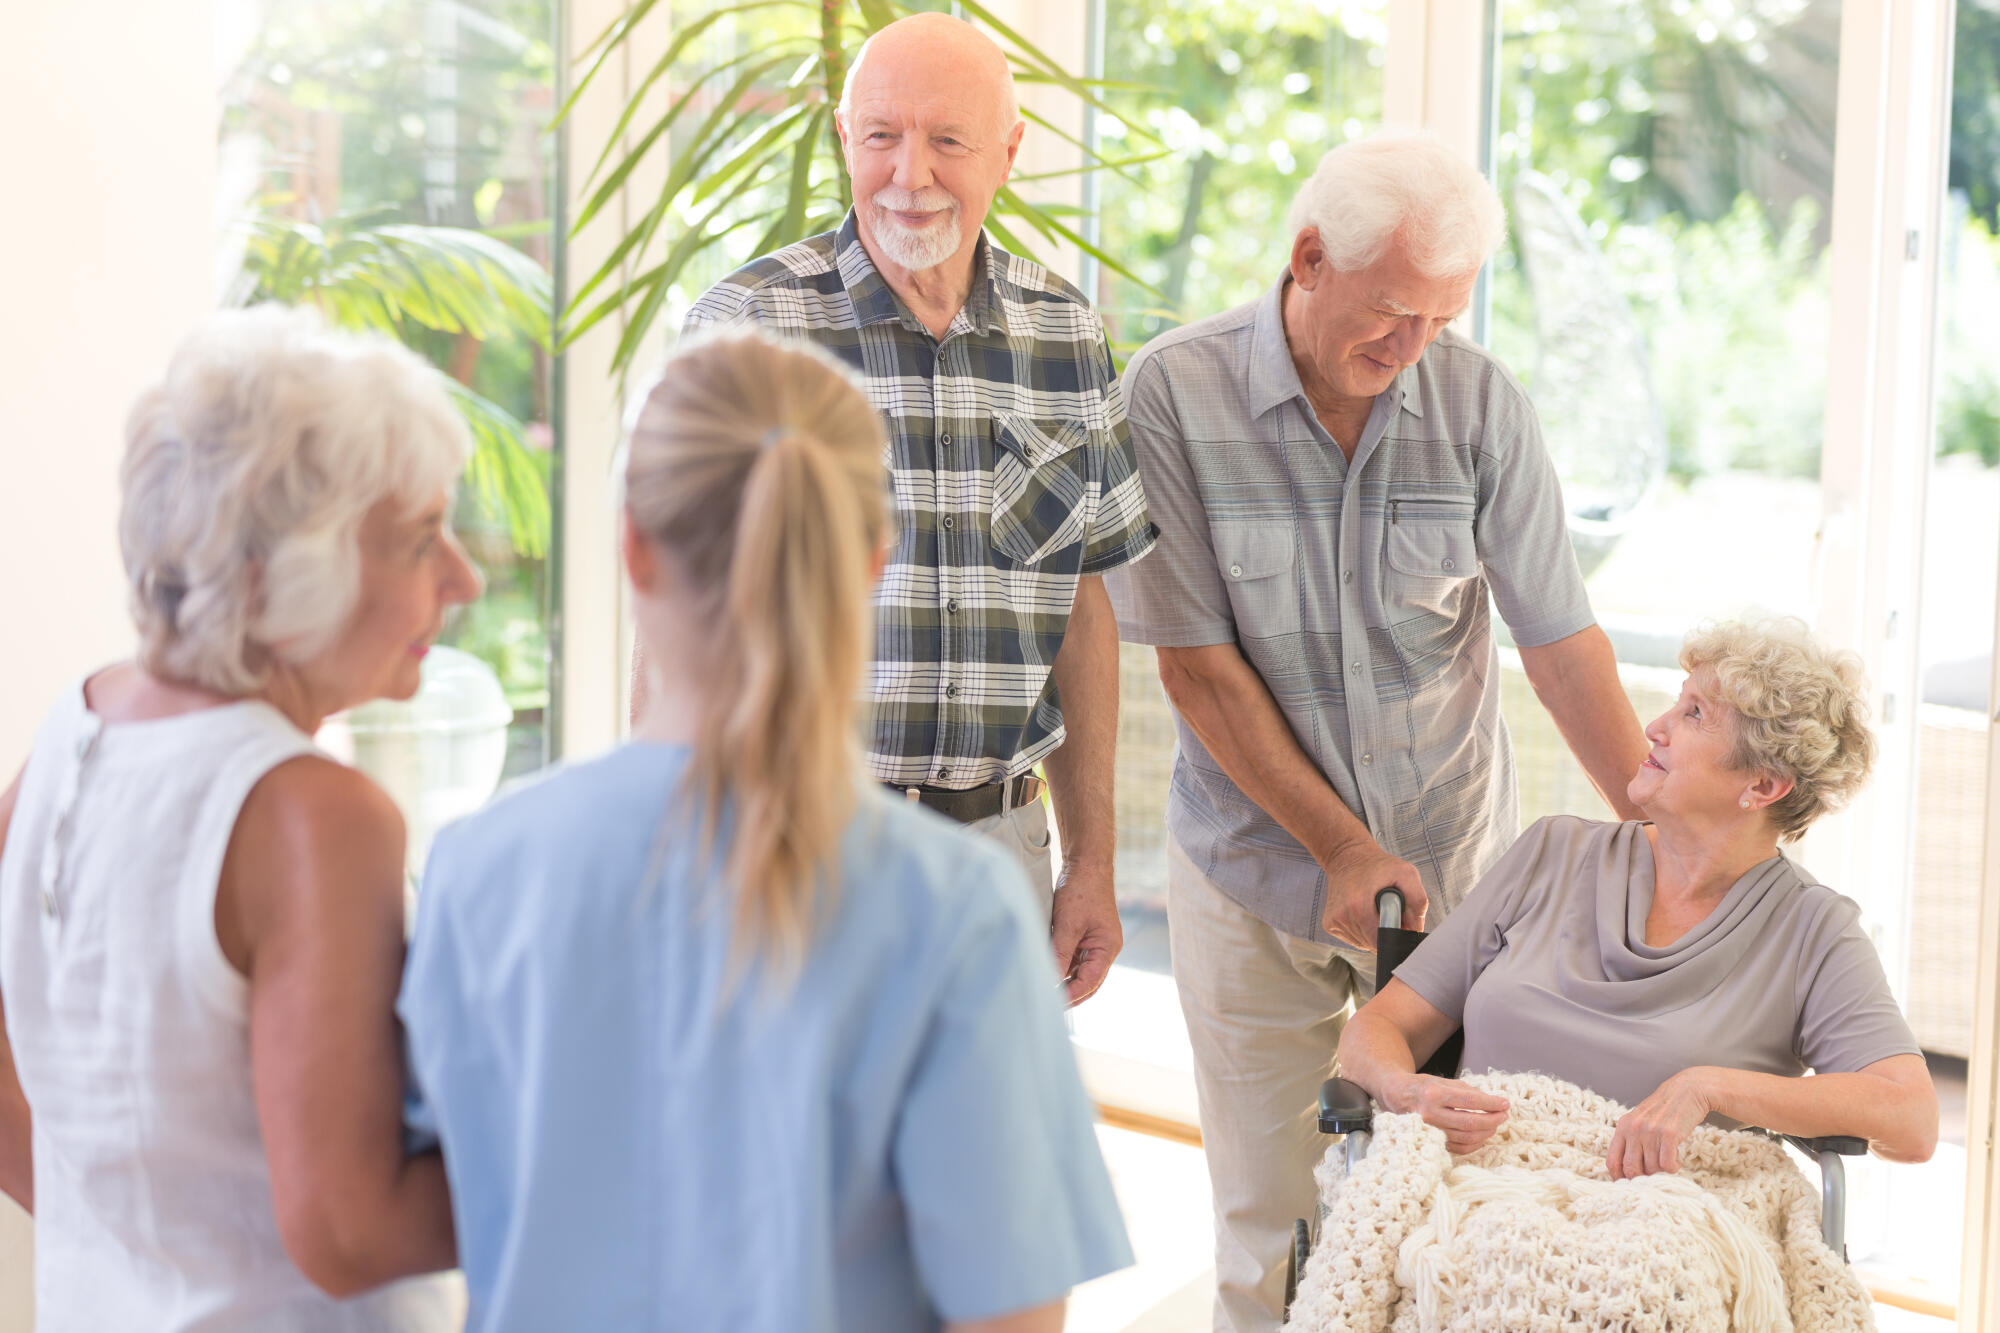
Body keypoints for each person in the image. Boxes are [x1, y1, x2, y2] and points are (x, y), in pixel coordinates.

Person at [397, 330, 1133, 1333]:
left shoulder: (477, 871)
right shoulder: (954, 913)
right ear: (872, 559)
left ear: (632, 547)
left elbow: (454, 1198)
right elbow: (1011, 1316)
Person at [1100, 130, 1652, 1332]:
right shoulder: (1170, 394)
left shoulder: (1475, 404)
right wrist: (1342, 849)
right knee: (1269, 1214)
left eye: (1439, 323)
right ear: (1307, 259)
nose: (1410, 352)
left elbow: (1558, 644)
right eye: (1392, 314)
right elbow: (1197, 670)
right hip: (1252, 872)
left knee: (1441, 1207)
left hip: (1451, 878)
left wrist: (1662, 834)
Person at [0, 306, 476, 1329]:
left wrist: (162, 1255)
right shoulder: (314, 816)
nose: (464, 579)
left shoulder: (61, 747)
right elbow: (348, 1235)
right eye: (418, 538)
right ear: (288, 572)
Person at [671, 12, 1157, 1005]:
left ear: (1007, 153)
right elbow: (678, 607)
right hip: (796, 850)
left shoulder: (1066, 335)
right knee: (796, 1157)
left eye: (947, 140)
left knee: (982, 1157)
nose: (909, 175)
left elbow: (1080, 610)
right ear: (844, 136)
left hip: (1000, 856)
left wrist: (1091, 861)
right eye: (882, 135)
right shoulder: (746, 329)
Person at [1338, 618, 1938, 1177]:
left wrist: (1710, 1088)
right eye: (1679, 701)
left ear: (1761, 785)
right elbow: (1382, 1026)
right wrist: (1404, 1088)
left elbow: (1910, 1120)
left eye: (1695, 714)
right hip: (1475, 1189)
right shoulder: (1553, 853)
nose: (1656, 726)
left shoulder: (1813, 930)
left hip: (1657, 1226)